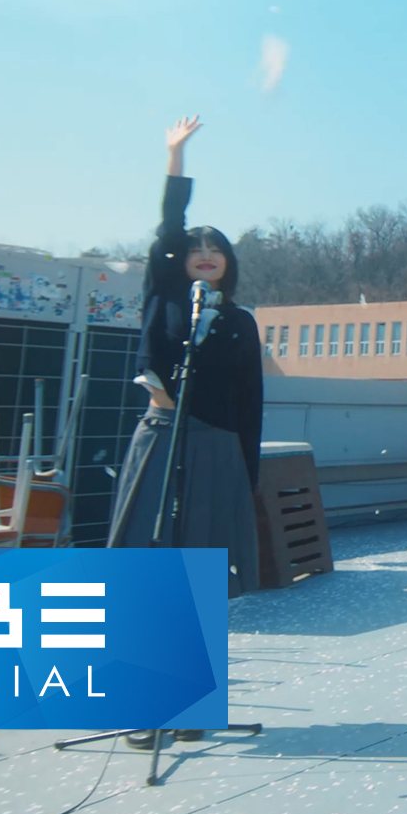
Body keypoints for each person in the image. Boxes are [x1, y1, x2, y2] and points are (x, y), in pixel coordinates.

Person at [111, 115, 263, 601]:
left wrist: (247, 472)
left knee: (201, 549)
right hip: (161, 429)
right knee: (144, 542)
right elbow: (169, 230)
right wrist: (175, 156)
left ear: (228, 262)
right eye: (196, 248)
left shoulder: (239, 320)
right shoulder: (167, 294)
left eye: (215, 249)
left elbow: (250, 400)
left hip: (216, 441)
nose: (205, 253)